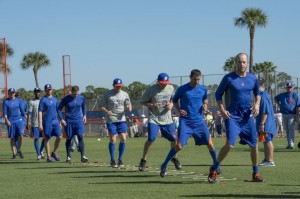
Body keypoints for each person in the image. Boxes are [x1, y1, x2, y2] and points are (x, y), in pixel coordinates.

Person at [208, 52, 264, 183]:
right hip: (232, 117)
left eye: (244, 62)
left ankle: (255, 174)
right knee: (230, 145)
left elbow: (258, 93)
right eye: (239, 62)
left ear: (247, 63)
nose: (242, 64)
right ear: (236, 63)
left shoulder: (252, 78)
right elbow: (218, 95)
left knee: (254, 144)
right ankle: (214, 169)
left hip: (247, 117)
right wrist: (222, 109)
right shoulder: (228, 78)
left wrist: (257, 104)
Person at [160, 69, 217, 177]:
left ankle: (216, 166)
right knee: (179, 146)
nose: (196, 82)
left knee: (210, 144)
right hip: (186, 121)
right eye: (195, 79)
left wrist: (205, 105)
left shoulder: (202, 89)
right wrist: (179, 109)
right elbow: (175, 100)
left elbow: (205, 99)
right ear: (190, 77)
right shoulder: (182, 89)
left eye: (198, 80)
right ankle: (164, 165)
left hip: (199, 121)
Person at [138, 73, 182, 172]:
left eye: (166, 83)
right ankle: (143, 160)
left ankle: (174, 158)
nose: (164, 85)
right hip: (154, 119)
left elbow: (173, 100)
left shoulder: (170, 88)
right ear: (158, 82)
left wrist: (170, 105)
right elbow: (143, 101)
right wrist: (151, 105)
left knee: (174, 140)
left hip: (167, 119)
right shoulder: (150, 90)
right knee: (151, 139)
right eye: (162, 83)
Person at [99, 78, 132, 168]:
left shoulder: (125, 94)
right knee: (113, 139)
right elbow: (101, 105)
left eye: (120, 86)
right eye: (117, 86)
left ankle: (120, 159)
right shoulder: (107, 94)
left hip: (121, 119)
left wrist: (129, 107)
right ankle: (112, 160)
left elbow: (128, 104)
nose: (118, 88)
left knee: (123, 139)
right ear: (113, 85)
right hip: (111, 119)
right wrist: (107, 111)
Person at [57, 85, 88, 163]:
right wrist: (62, 119)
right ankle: (68, 157)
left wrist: (84, 115)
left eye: (77, 94)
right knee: (69, 138)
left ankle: (83, 156)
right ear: (72, 91)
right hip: (69, 121)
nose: (76, 95)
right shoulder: (66, 99)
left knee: (80, 137)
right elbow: (58, 109)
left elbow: (84, 106)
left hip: (79, 121)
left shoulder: (81, 98)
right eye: (74, 94)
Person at [38, 84, 62, 162]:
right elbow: (40, 111)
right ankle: (48, 157)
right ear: (45, 90)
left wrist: (60, 121)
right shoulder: (43, 100)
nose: (49, 91)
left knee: (59, 137)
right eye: (48, 89)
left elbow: (58, 110)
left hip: (55, 121)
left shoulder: (55, 99)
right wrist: (40, 123)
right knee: (47, 139)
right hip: (47, 122)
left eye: (50, 89)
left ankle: (54, 152)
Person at [274, 82, 300, 149]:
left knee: (291, 129)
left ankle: (291, 143)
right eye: (288, 87)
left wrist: (297, 115)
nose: (289, 89)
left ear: (292, 88)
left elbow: (298, 105)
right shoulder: (283, 95)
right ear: (286, 88)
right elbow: (275, 98)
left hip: (291, 114)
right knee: (287, 129)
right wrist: (279, 105)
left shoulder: (295, 95)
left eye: (290, 87)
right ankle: (289, 143)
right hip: (284, 114)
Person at [256, 83, 276, 167]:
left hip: (266, 123)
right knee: (264, 141)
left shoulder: (263, 96)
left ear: (259, 86)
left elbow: (265, 111)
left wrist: (262, 123)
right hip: (265, 123)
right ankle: (266, 159)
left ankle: (270, 160)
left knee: (267, 141)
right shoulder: (261, 95)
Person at [2, 88, 26, 159]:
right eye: (11, 93)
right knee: (12, 137)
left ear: (14, 93)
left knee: (21, 135)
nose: (12, 94)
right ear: (8, 93)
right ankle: (14, 153)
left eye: (13, 92)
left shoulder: (18, 100)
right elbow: (5, 112)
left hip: (19, 120)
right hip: (10, 121)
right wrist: (6, 120)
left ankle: (19, 149)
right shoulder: (6, 101)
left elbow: (22, 111)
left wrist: (26, 119)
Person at [27, 87, 45, 160]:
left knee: (45, 138)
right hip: (35, 123)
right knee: (36, 139)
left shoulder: (43, 100)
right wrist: (28, 121)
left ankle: (41, 151)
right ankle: (38, 154)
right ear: (34, 93)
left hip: (44, 123)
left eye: (38, 92)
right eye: (36, 92)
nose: (37, 93)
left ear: (40, 92)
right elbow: (29, 113)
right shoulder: (31, 101)